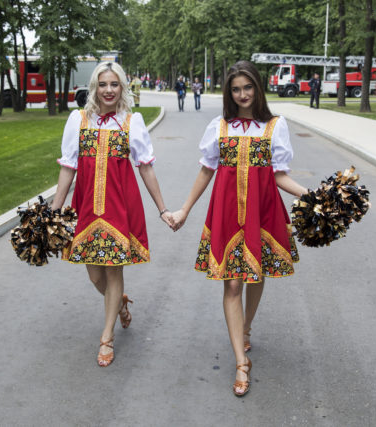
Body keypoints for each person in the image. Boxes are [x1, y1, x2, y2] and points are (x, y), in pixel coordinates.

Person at [169, 60, 308, 396]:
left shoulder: (275, 126)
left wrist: (315, 195)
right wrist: (185, 210)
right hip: (227, 213)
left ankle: (246, 327)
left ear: (258, 88)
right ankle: (240, 364)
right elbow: (206, 171)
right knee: (232, 286)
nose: (243, 94)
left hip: (262, 211)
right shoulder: (219, 127)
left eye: (248, 88)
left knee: (255, 276)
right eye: (236, 89)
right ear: (229, 93)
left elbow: (280, 175)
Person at [51, 62, 173, 368]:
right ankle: (118, 304)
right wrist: (53, 211)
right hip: (86, 207)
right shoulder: (78, 120)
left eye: (114, 84)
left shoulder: (132, 122)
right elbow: (68, 168)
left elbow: (145, 167)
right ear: (95, 87)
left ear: (122, 88)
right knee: (95, 274)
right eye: (103, 84)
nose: (108, 90)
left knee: (113, 269)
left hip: (120, 206)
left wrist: (162, 209)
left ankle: (107, 337)